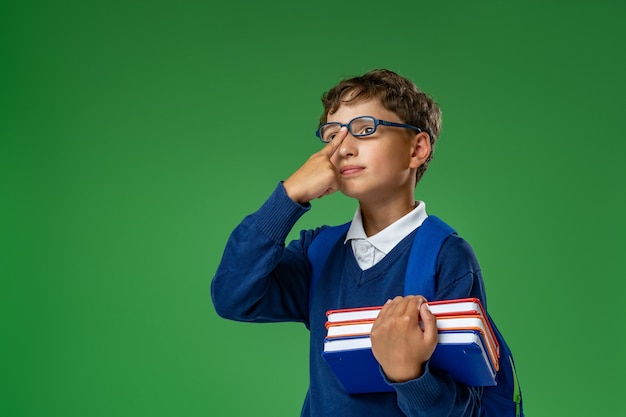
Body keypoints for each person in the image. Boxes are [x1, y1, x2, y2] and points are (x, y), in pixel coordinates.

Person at [211, 69, 489, 416]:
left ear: (416, 148)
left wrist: (408, 375)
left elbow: (469, 408)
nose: (342, 148)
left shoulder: (445, 257)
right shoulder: (319, 251)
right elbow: (232, 297)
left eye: (364, 128)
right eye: (332, 135)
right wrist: (288, 197)